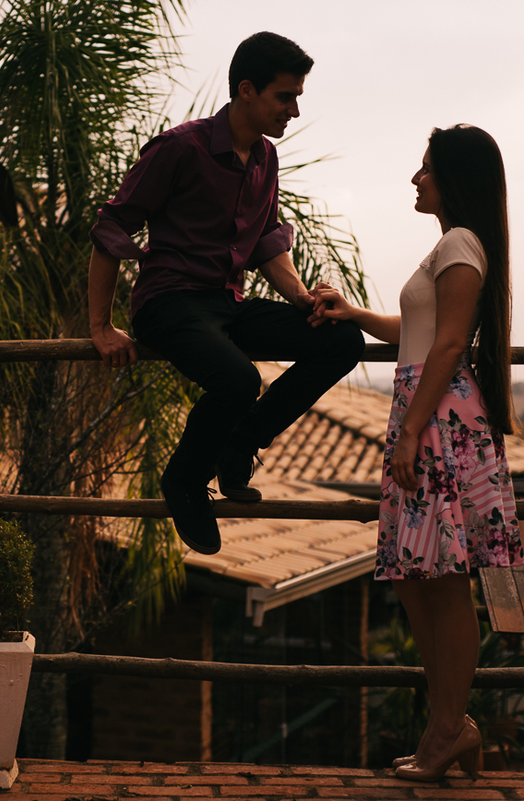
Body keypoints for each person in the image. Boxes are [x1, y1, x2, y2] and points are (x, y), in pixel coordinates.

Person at [87, 32, 364, 556]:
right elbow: (112, 227)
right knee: (239, 378)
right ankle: (184, 482)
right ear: (246, 90)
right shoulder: (180, 148)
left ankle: (242, 440)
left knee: (342, 340)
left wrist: (303, 299)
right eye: (285, 96)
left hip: (226, 305)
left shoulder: (265, 159)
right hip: (168, 303)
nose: (294, 109)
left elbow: (265, 242)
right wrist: (100, 327)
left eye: (298, 96)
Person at [309, 124, 523, 782]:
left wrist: (410, 430)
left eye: (426, 167)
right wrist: (356, 315)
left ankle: (448, 727)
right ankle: (450, 723)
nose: (415, 177)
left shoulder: (461, 242)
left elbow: (451, 343)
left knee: (445, 582)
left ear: (453, 177)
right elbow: (421, 328)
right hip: (424, 407)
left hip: (435, 413)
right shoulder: (451, 247)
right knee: (415, 575)